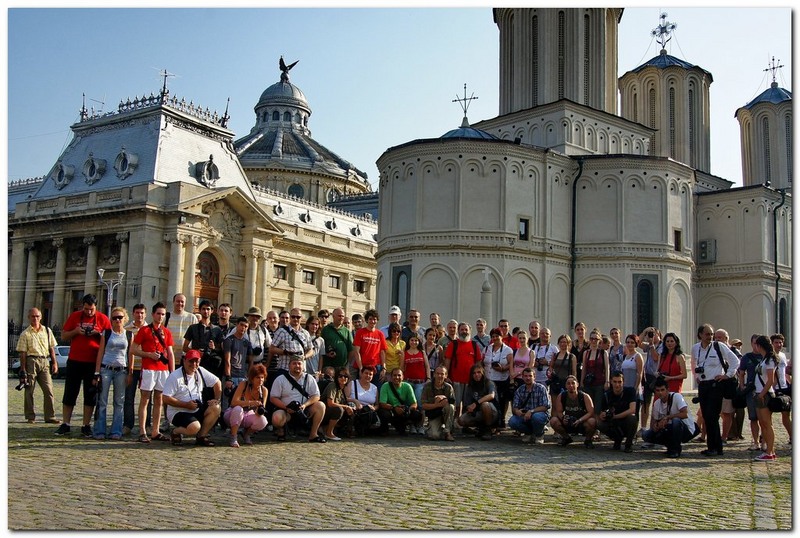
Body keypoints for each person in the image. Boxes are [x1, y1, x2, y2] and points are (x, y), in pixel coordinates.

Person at [55, 294, 112, 437]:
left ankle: (86, 425)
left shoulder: (103, 319)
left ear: (96, 306)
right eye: (86, 309)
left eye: (91, 309)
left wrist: (98, 334)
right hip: (75, 360)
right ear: (82, 306)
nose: (89, 312)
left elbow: (110, 340)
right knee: (70, 392)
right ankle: (66, 424)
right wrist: (75, 331)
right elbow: (63, 336)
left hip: (93, 362)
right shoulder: (75, 316)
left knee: (90, 395)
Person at [691, 323, 739, 456]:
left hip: (716, 385)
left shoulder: (719, 346)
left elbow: (735, 361)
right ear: (700, 335)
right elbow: (694, 363)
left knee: (712, 416)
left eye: (711, 334)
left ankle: (715, 447)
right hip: (703, 385)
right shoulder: (695, 348)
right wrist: (696, 377)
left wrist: (727, 375)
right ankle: (713, 446)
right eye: (707, 334)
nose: (710, 337)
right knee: (706, 416)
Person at [131, 302, 176, 443]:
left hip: (163, 370)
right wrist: (148, 354)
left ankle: (156, 431)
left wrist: (172, 372)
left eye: (163, 314)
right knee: (145, 399)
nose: (160, 316)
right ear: (152, 314)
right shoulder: (144, 330)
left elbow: (170, 353)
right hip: (148, 368)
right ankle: (142, 431)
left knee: (159, 400)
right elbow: (133, 349)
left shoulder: (166, 332)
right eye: (158, 314)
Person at [161, 349, 221, 447]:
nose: (194, 364)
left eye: (196, 361)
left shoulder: (200, 370)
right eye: (191, 361)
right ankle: (176, 432)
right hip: (178, 411)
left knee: (216, 407)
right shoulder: (175, 376)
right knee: (194, 427)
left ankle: (201, 436)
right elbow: (166, 398)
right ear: (184, 360)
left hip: (196, 408)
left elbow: (217, 382)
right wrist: (186, 405)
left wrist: (217, 399)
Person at [92, 307, 132, 440]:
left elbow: (130, 354)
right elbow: (100, 352)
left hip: (122, 371)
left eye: (120, 317)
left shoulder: (129, 335)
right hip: (106, 369)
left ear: (125, 319)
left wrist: (130, 372)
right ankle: (99, 430)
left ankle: (116, 430)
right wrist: (97, 372)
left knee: (119, 402)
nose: (117, 320)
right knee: (102, 400)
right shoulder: (107, 333)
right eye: (114, 318)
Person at [17, 307, 60, 424]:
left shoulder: (47, 331)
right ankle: (30, 416)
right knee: (29, 389)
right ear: (29, 317)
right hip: (31, 361)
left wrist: (54, 362)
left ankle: (50, 416)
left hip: (45, 361)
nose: (35, 318)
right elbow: (22, 353)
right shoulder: (25, 334)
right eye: (33, 316)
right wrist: (23, 370)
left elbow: (51, 348)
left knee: (49, 389)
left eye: (37, 316)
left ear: (41, 317)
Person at [270, 356, 327, 443]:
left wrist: (304, 405)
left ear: (303, 366)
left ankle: (313, 435)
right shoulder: (280, 379)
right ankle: (281, 431)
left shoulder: (309, 378)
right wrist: (286, 407)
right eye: (294, 363)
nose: (297, 366)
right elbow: (273, 398)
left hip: (304, 410)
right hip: (286, 411)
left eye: (299, 364)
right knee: (276, 418)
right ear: (289, 366)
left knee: (321, 406)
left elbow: (316, 396)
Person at [641, 377, 699, 457]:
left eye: (662, 390)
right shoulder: (657, 404)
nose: (660, 393)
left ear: (667, 390)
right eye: (658, 390)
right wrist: (657, 426)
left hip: (685, 429)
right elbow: (654, 423)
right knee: (646, 435)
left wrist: (668, 417)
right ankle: (670, 445)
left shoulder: (676, 397)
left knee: (676, 421)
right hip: (668, 429)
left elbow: (684, 414)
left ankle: (675, 450)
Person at [223, 363, 269, 447]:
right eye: (257, 377)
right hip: (233, 413)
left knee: (263, 421)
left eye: (262, 377)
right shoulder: (244, 384)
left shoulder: (264, 391)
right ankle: (233, 436)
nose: (260, 380)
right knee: (238, 409)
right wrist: (251, 402)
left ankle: (246, 434)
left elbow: (261, 411)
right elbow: (234, 402)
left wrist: (259, 408)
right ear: (252, 378)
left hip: (248, 414)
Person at [444, 322, 481, 418]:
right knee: (456, 403)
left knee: (467, 404)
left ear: (470, 331)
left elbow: (478, 362)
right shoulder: (453, 344)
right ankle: (454, 421)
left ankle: (464, 422)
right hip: (456, 380)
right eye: (462, 330)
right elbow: (447, 361)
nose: (464, 332)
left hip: (470, 380)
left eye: (466, 330)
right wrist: (446, 376)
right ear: (458, 331)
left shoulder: (474, 345)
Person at [550, 375, 597, 448]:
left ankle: (588, 440)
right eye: (568, 383)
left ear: (577, 384)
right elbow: (558, 412)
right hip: (568, 422)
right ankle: (566, 438)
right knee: (553, 421)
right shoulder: (561, 396)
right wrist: (563, 418)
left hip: (582, 422)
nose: (571, 385)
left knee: (592, 421)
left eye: (573, 383)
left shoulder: (585, 396)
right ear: (565, 386)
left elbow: (591, 412)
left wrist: (580, 420)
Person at [182, 300, 225, 379]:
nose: (206, 311)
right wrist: (196, 352)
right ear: (200, 310)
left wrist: (214, 348)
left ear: (212, 311)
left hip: (212, 365)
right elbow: (185, 347)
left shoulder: (217, 329)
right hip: (195, 363)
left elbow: (222, 350)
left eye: (208, 309)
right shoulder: (193, 328)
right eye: (203, 309)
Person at [597, 372, 638, 452]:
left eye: (619, 382)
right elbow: (602, 412)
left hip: (626, 421)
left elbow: (632, 409)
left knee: (632, 418)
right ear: (611, 382)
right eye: (615, 382)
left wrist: (615, 416)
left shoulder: (630, 391)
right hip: (614, 423)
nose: (617, 385)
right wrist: (603, 415)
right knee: (599, 424)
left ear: (623, 382)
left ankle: (628, 444)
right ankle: (617, 440)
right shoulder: (606, 395)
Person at [752, 335, 778, 461]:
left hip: (765, 394)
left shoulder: (770, 360)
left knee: (767, 424)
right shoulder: (764, 359)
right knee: (763, 423)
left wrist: (761, 394)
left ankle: (770, 451)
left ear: (759, 345)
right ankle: (769, 450)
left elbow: (770, 380)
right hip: (759, 393)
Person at [123, 304, 148, 435]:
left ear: (146, 314)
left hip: (146, 368)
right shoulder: (126, 329)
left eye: (142, 313)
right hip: (131, 368)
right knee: (129, 397)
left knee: (147, 398)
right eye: (137, 312)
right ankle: (128, 424)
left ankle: (146, 425)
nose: (140, 315)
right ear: (133, 314)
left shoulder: (150, 329)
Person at [508, 368, 550, 444]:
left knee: (537, 417)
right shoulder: (519, 390)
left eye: (530, 376)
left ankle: (539, 435)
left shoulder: (541, 388)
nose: (528, 378)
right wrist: (517, 411)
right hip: (524, 415)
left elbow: (545, 406)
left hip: (538, 413)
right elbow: (515, 407)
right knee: (512, 421)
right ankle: (528, 433)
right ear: (522, 377)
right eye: (525, 376)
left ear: (534, 377)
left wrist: (531, 411)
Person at [457, 363, 498, 440]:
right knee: (461, 420)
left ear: (483, 373)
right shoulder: (470, 387)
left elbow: (491, 395)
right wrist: (469, 408)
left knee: (484, 405)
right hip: (478, 412)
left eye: (479, 372)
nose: (476, 375)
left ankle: (488, 429)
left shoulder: (489, 383)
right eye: (474, 373)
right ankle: (480, 428)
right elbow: (467, 404)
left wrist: (477, 403)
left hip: (492, 412)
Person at [269, 307, 313, 378]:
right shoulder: (281, 331)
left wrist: (304, 357)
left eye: (298, 317)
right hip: (285, 369)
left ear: (301, 318)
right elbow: (272, 349)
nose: (295, 319)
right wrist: (285, 352)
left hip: (300, 371)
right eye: (293, 317)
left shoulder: (305, 333)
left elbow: (311, 350)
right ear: (290, 318)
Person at [377, 368, 423, 436]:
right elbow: (382, 404)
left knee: (417, 414)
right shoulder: (385, 386)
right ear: (391, 377)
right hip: (391, 410)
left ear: (403, 377)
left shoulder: (407, 386)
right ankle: (385, 429)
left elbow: (414, 403)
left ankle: (406, 425)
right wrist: (394, 408)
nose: (397, 377)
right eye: (394, 375)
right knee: (383, 413)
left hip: (403, 411)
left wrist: (408, 410)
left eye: (399, 375)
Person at [223, 317, 255, 410]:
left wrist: (249, 377)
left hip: (243, 376)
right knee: (227, 402)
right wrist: (228, 378)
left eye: (245, 326)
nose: (243, 328)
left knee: (242, 402)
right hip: (231, 375)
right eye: (241, 325)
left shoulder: (247, 343)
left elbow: (251, 361)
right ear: (237, 325)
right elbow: (227, 360)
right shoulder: (229, 340)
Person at [483, 327, 513, 429]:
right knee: (490, 403)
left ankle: (500, 422)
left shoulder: (508, 350)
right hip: (489, 379)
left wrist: (503, 368)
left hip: (501, 380)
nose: (495, 338)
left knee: (501, 402)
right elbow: (482, 362)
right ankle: (490, 423)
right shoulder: (487, 349)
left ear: (502, 336)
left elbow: (511, 364)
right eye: (493, 336)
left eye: (497, 336)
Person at [738, 334, 763, 452]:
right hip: (751, 390)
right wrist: (742, 385)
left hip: (763, 390)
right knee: (753, 417)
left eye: (759, 343)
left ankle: (765, 441)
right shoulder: (746, 357)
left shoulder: (766, 357)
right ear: (751, 344)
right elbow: (741, 372)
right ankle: (755, 441)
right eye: (755, 343)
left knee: (764, 418)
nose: (757, 346)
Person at [349, 309, 387, 386]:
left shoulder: (380, 334)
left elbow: (382, 352)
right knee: (361, 389)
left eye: (374, 319)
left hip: (376, 367)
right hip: (363, 366)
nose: (372, 321)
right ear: (366, 320)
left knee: (376, 390)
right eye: (370, 319)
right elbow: (356, 352)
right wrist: (360, 368)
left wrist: (383, 368)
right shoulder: (360, 333)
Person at [419, 366, 456, 441]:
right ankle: (434, 428)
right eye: (437, 373)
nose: (439, 376)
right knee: (434, 436)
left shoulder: (449, 387)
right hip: (434, 415)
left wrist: (444, 399)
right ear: (434, 374)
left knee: (451, 407)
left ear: (446, 375)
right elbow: (424, 405)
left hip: (445, 414)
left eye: (442, 374)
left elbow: (453, 404)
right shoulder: (427, 386)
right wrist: (437, 405)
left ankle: (447, 432)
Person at [580, 329, 609, 422]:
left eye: (596, 339)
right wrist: (581, 382)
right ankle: (590, 425)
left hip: (599, 383)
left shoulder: (603, 353)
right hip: (588, 384)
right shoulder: (586, 353)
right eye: (592, 339)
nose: (593, 341)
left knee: (598, 406)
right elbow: (584, 368)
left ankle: (597, 425)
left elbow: (607, 368)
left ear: (599, 340)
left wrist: (607, 381)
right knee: (589, 407)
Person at [165, 293, 199, 366]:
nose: (180, 303)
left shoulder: (192, 318)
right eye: (178, 301)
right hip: (169, 358)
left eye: (182, 302)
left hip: (186, 359)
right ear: (173, 302)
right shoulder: (166, 317)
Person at [345, 366, 381, 436]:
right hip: (355, 410)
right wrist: (355, 401)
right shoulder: (352, 383)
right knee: (351, 405)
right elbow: (344, 398)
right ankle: (351, 428)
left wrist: (374, 408)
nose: (368, 376)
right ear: (361, 373)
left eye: (370, 374)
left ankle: (362, 430)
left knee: (377, 424)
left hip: (367, 411)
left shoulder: (374, 388)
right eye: (366, 373)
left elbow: (377, 404)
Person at [770, 333, 792, 446]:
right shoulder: (770, 357)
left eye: (780, 342)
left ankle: (792, 436)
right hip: (774, 388)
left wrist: (789, 383)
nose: (779, 344)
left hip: (785, 388)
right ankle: (765, 438)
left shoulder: (783, 355)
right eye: (776, 342)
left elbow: (785, 372)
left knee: (786, 415)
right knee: (768, 415)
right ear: (772, 343)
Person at [320, 367, 354, 440]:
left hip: (329, 412)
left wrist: (354, 402)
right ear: (336, 377)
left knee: (351, 409)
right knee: (339, 410)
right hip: (322, 412)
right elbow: (330, 403)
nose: (343, 378)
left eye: (345, 376)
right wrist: (346, 407)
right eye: (340, 376)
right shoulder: (333, 385)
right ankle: (329, 433)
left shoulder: (342, 389)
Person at [401, 334, 430, 408]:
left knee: (420, 402)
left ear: (419, 342)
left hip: (420, 383)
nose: (414, 342)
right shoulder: (404, 353)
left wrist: (428, 378)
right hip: (408, 382)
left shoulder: (422, 352)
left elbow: (427, 366)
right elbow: (402, 368)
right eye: (412, 340)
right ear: (408, 341)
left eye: (416, 340)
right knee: (409, 403)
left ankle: (421, 415)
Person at [321, 307, 353, 372]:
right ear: (333, 316)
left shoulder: (347, 331)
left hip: (342, 367)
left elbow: (351, 349)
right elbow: (320, 348)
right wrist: (327, 354)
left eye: (343, 316)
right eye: (339, 316)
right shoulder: (325, 330)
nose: (341, 318)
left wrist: (347, 364)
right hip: (328, 367)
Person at [620, 333, 644, 420]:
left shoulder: (637, 356)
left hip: (633, 387)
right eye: (628, 342)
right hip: (625, 387)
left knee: (634, 412)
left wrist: (635, 388)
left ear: (636, 344)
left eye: (632, 342)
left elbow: (639, 373)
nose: (630, 344)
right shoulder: (626, 356)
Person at [548, 334, 576, 399]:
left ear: (568, 343)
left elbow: (574, 371)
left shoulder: (572, 356)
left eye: (565, 342)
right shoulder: (555, 356)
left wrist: (573, 382)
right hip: (556, 383)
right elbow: (551, 367)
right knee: (555, 402)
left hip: (566, 383)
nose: (563, 344)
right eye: (561, 342)